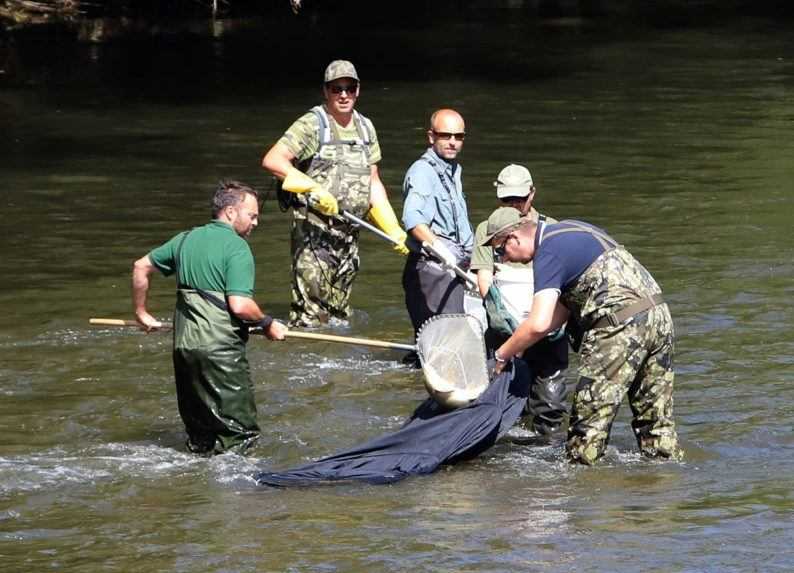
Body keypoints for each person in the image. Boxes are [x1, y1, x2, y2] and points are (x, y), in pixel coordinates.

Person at [483, 211, 680, 465]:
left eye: (501, 251)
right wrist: (521, 346)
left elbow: (539, 322)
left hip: (618, 327)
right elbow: (560, 312)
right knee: (656, 422)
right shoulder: (573, 230)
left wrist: (502, 354)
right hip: (659, 316)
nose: (505, 259)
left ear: (513, 238)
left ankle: (584, 495)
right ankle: (664, 487)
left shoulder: (548, 252)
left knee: (587, 430)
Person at [132, 181, 287, 455]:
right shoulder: (237, 248)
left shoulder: (184, 240)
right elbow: (239, 305)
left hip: (184, 350)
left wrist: (141, 313)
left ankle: (199, 488)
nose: (256, 222)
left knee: (200, 436)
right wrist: (268, 323)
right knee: (240, 436)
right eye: (252, 215)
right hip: (220, 352)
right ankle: (242, 494)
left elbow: (141, 266)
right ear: (230, 212)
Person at [262, 59, 408, 327]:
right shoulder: (312, 124)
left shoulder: (366, 128)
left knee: (339, 315)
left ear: (358, 90)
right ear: (325, 91)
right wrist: (313, 189)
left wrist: (392, 227)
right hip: (313, 235)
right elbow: (273, 160)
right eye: (336, 88)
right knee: (312, 315)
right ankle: (306, 361)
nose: (343, 94)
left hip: (349, 235)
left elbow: (373, 181)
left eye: (349, 88)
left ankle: (338, 366)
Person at [470, 165, 569, 435]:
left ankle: (546, 460)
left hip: (548, 329)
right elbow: (484, 279)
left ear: (532, 194)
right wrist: (508, 325)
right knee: (503, 402)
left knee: (550, 405)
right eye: (506, 199)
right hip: (505, 331)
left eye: (519, 199)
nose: (514, 204)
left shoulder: (552, 229)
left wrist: (540, 328)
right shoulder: (486, 230)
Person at [401, 108, 473, 340]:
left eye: (458, 136)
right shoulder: (423, 172)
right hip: (434, 269)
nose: (453, 142)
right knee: (447, 340)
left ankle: (413, 372)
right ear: (431, 136)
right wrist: (440, 249)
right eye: (446, 135)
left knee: (444, 340)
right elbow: (413, 220)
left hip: (457, 267)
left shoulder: (452, 170)